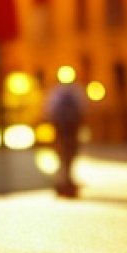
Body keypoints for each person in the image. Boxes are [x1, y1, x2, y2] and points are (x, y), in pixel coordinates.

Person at [44, 66, 87, 198]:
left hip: (61, 128)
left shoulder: (55, 91)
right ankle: (67, 180)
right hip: (72, 128)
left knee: (62, 154)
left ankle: (62, 180)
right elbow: (83, 107)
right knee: (70, 154)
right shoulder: (76, 90)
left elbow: (49, 109)